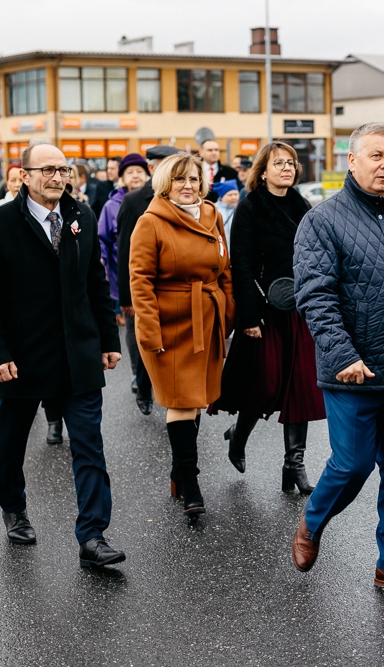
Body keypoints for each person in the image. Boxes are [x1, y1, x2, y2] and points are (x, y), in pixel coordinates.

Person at [292, 122, 384, 596]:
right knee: (352, 465)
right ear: (352, 160)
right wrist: (342, 355)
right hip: (353, 372)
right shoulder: (322, 220)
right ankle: (312, 522)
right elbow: (315, 297)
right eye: (376, 156)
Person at [0, 144, 125, 568]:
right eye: (48, 170)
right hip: (22, 358)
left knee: (89, 445)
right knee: (11, 441)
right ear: (24, 175)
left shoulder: (81, 215)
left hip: (78, 354)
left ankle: (93, 536)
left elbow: (95, 282)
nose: (58, 177)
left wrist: (108, 339)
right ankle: (13, 508)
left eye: (64, 169)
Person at [209, 141, 325, 494]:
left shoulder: (302, 206)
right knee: (266, 383)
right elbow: (241, 266)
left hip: (299, 308)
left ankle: (294, 464)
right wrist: (248, 316)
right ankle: (238, 435)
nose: (287, 168)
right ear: (262, 171)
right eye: (279, 163)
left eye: (291, 163)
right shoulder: (250, 208)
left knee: (301, 386)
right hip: (263, 309)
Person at [128, 152, 235, 515]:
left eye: (193, 179)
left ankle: (179, 471)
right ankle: (189, 480)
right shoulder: (150, 222)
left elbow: (225, 269)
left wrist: (228, 311)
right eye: (179, 179)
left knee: (196, 397)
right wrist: (149, 332)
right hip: (171, 322)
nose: (188, 186)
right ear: (165, 183)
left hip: (208, 317)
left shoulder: (212, 214)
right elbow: (140, 282)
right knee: (181, 401)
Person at [116, 145, 182, 412]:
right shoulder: (134, 201)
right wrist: (126, 297)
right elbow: (124, 251)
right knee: (146, 340)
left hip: (176, 287)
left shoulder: (185, 197)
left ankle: (174, 397)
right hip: (146, 286)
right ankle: (143, 387)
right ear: (152, 168)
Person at [97, 152, 150, 407]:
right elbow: (103, 240)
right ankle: (136, 373)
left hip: (152, 276)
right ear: (122, 178)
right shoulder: (112, 206)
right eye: (130, 172)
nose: (136, 175)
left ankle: (153, 374)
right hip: (123, 274)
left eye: (140, 171)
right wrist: (104, 268)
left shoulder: (156, 200)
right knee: (133, 327)